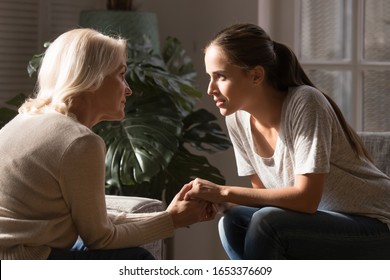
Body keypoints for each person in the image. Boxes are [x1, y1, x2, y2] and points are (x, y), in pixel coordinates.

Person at [0, 28, 216, 260]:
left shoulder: (25, 119)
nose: (129, 89)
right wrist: (172, 220)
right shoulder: (79, 141)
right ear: (93, 77)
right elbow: (100, 238)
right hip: (22, 259)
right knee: (135, 260)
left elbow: (96, 222)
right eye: (121, 75)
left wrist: (169, 215)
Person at [184, 23, 390, 259]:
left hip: (377, 225)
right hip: (322, 222)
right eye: (210, 77)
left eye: (220, 77)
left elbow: (306, 199)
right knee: (233, 220)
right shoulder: (237, 118)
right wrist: (220, 203)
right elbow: (263, 195)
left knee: (267, 222)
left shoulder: (305, 102)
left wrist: (223, 192)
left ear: (256, 75)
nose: (210, 89)